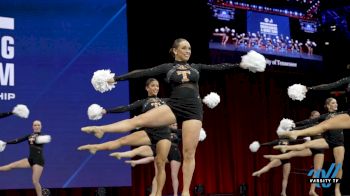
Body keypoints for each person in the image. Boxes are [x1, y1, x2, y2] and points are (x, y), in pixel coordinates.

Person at [81, 38, 265, 196]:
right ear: (175, 50)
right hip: (174, 105)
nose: (187, 51)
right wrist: (116, 79)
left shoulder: (196, 67)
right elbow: (143, 72)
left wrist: (240, 65)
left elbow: (219, 68)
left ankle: (185, 191)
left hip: (194, 108)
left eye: (190, 48)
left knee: (189, 152)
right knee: (138, 120)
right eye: (184, 48)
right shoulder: (167, 67)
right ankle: (101, 129)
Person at [79, 78, 172, 195]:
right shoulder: (142, 102)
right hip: (149, 132)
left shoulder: (166, 101)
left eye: (157, 86)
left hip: (163, 133)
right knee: (122, 140)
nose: (156, 88)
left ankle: (158, 193)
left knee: (160, 163)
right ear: (147, 88)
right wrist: (105, 111)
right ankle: (96, 147)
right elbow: (125, 108)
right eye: (153, 86)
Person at [272, 98, 344, 196]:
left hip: (336, 143)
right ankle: (286, 150)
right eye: (333, 103)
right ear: (328, 105)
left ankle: (334, 190)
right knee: (304, 148)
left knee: (336, 166)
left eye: (336, 102)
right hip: (323, 143)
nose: (336, 104)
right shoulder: (323, 118)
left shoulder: (341, 115)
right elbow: (306, 123)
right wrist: (293, 125)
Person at [0, 120, 49, 196]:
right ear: (32, 127)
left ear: (41, 126)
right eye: (35, 125)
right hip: (30, 159)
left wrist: (39, 138)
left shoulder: (42, 136)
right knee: (12, 165)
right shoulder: (29, 135)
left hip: (38, 161)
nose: (37, 126)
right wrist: (6, 143)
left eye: (38, 125)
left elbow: (42, 140)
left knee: (35, 181)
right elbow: (17, 140)